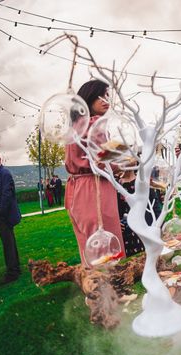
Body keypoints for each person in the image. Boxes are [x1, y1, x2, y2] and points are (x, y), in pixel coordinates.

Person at [64, 79, 124, 266]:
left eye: (108, 95)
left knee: (88, 245)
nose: (107, 100)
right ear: (89, 97)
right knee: (106, 243)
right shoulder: (95, 123)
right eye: (102, 95)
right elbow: (107, 161)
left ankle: (94, 290)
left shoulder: (74, 126)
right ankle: (114, 290)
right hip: (95, 188)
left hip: (75, 189)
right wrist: (124, 161)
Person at [0, 149, 21, 284]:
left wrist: (2, 216)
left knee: (8, 242)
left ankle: (13, 272)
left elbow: (7, 196)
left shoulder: (4, 173)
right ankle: (15, 268)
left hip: (1, 212)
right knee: (9, 241)